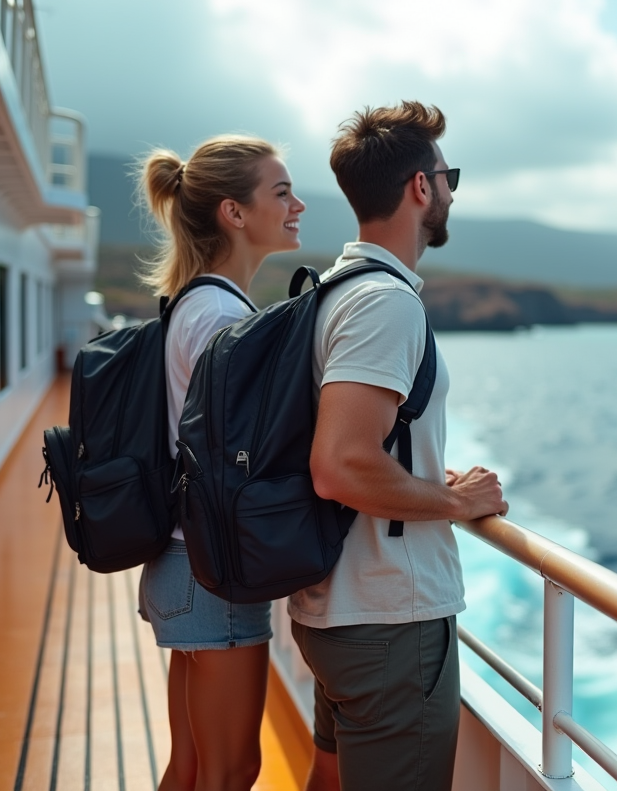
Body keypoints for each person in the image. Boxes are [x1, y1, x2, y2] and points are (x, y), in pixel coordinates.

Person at [289, 101, 508, 791]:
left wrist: (419, 472)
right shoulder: (385, 302)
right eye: (448, 178)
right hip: (387, 620)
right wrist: (453, 498)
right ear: (421, 187)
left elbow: (355, 442)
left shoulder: (332, 290)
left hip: (339, 610)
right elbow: (340, 463)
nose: (448, 193)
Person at [135, 135, 306, 791]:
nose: (297, 206)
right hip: (214, 574)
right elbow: (244, 453)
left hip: (181, 564)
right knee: (232, 772)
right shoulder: (220, 316)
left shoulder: (196, 303)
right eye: (281, 192)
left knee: (192, 769)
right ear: (235, 213)